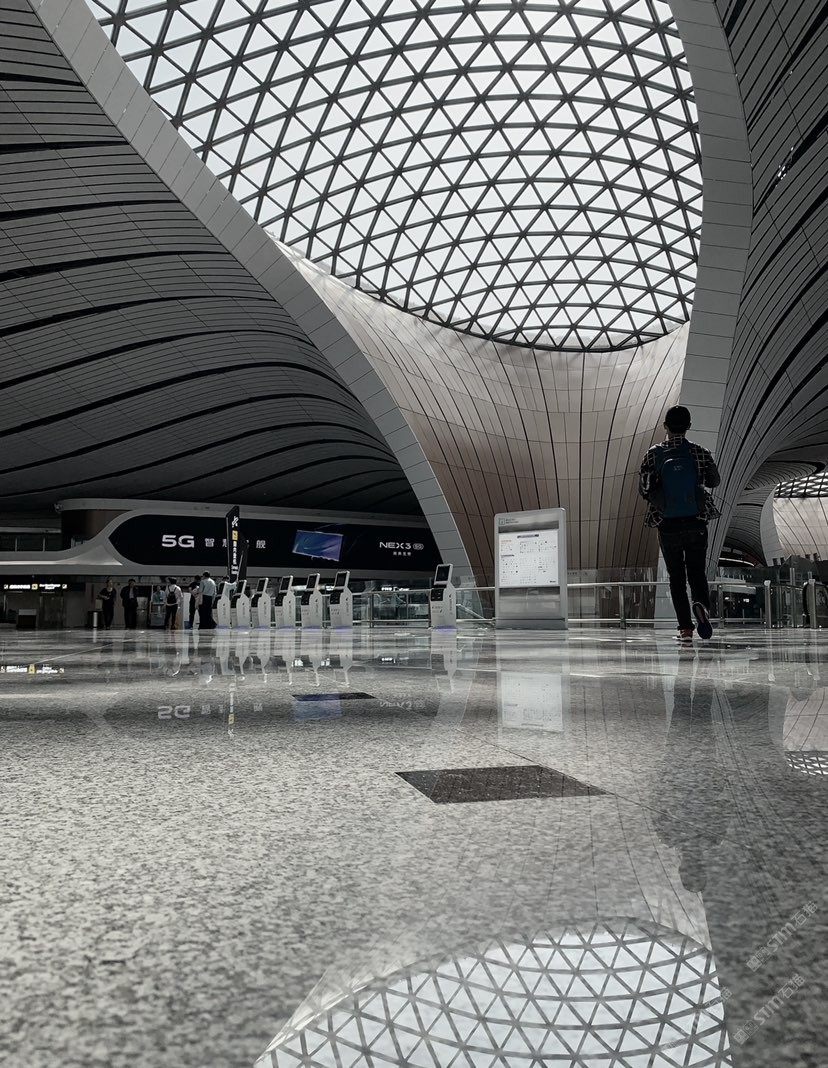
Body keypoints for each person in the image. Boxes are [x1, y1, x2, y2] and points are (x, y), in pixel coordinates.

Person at [639, 405, 720, 642]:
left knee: (676, 577)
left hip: (667, 524)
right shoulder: (699, 452)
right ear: (688, 426)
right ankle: (701, 604)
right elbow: (714, 481)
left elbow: (644, 489)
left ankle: (685, 629)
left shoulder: (653, 454)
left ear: (665, 426)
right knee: (697, 572)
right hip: (696, 521)